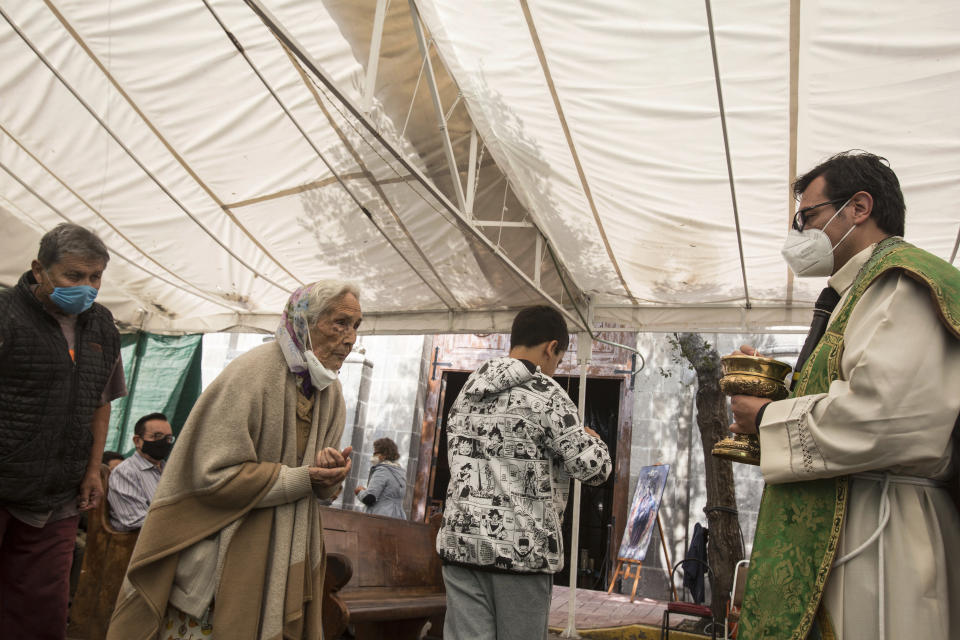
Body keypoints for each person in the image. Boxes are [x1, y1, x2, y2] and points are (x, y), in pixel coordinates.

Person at [728, 151, 960, 640]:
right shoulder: (855, 292)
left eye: (807, 216)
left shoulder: (903, 282)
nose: (799, 234)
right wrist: (773, 391)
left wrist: (768, 415)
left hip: (882, 531)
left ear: (858, 207)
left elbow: (887, 416)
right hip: (853, 513)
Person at [107, 281, 361, 640]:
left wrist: (330, 476)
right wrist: (304, 478)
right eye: (340, 323)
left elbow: (320, 488)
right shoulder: (250, 374)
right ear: (305, 322)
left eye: (356, 326)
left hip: (287, 551)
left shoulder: (330, 392)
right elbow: (213, 475)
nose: (351, 338)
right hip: (222, 556)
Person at [436, 305, 612, 640]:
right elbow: (594, 470)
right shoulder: (547, 394)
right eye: (558, 360)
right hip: (522, 553)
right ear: (551, 347)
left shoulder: (467, 393)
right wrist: (595, 440)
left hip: (461, 546)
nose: (555, 369)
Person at [0, 223, 125, 640]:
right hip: (4, 481)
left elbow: (100, 402)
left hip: (60, 494)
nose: (87, 288)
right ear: (39, 269)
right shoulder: (5, 314)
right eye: (74, 276)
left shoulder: (103, 326)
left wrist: (92, 470)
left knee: (40, 608)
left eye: (95, 277)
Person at [107, 413, 174, 531]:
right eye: (157, 436)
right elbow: (137, 520)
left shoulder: (170, 471)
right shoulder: (125, 473)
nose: (164, 442)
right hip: (140, 544)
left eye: (168, 438)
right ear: (137, 441)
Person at [354, 437, 407, 519]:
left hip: (379, 518)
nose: (373, 456)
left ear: (384, 454)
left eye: (375, 453)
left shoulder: (382, 471)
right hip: (397, 518)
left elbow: (370, 498)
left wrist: (359, 491)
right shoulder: (400, 472)